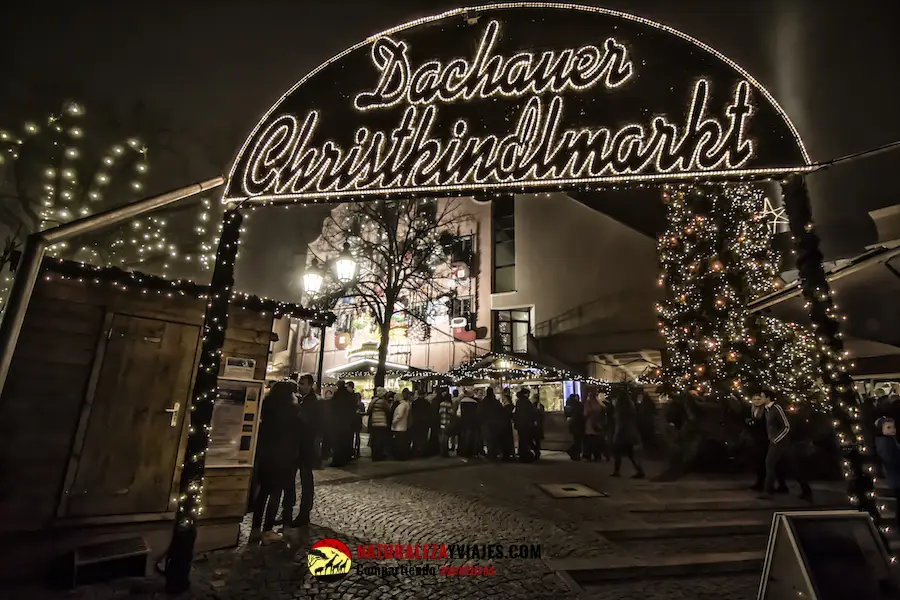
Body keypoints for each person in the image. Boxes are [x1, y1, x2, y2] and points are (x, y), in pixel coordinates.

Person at [250, 380, 299, 543]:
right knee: (276, 493)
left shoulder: (266, 407)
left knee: (263, 492)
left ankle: (255, 529)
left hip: (266, 455)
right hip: (283, 456)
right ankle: (268, 530)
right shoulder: (292, 410)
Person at [752, 390, 812, 502]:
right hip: (775, 443)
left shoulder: (776, 408)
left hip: (780, 443)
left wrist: (776, 439)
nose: (760, 399)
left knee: (770, 464)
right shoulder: (767, 410)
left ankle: (768, 491)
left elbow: (786, 426)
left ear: (768, 398)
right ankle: (806, 490)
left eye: (762, 396)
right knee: (792, 467)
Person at [290, 374, 319, 527]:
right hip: (297, 444)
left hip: (306, 445)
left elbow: (309, 421)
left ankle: (304, 512)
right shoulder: (302, 399)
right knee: (292, 478)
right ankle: (288, 509)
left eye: (302, 383)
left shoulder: (313, 402)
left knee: (306, 479)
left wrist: (297, 408)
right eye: (299, 383)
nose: (300, 386)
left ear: (310, 385)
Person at [746, 400, 787, 492]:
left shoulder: (769, 410)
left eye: (759, 399)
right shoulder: (753, 410)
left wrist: (775, 439)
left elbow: (782, 426)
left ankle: (770, 488)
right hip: (760, 439)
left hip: (767, 440)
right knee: (766, 463)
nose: (757, 401)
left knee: (770, 464)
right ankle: (765, 485)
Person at [611, 388, 645, 478]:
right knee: (631, 454)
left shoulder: (620, 412)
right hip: (631, 433)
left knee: (618, 453)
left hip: (622, 435)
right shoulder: (631, 409)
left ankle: (617, 471)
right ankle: (639, 470)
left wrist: (616, 434)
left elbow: (620, 424)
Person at [875, 417, 900, 532]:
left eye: (893, 427)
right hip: (896, 477)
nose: (892, 430)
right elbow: (891, 460)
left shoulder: (890, 441)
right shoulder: (885, 442)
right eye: (888, 427)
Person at [329, 381, 356, 467]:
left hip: (337, 422)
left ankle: (337, 460)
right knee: (345, 441)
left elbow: (332, 406)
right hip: (347, 422)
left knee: (337, 442)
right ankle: (344, 459)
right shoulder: (349, 395)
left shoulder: (337, 395)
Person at [367, 388, 392, 461]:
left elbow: (369, 410)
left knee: (374, 439)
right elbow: (388, 410)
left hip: (374, 422)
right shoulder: (384, 402)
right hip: (382, 422)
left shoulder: (373, 401)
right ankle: (378, 455)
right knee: (380, 440)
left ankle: (374, 455)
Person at [478, 387, 503, 460]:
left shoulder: (483, 403)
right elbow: (500, 412)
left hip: (485, 423)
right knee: (494, 439)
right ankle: (494, 453)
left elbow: (479, 413)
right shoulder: (496, 402)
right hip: (495, 423)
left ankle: (491, 453)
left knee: (488, 440)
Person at [514, 389, 537, 462]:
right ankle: (526, 454)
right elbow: (531, 412)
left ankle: (522, 454)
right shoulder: (526, 402)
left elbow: (517, 414)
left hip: (520, 425)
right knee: (526, 440)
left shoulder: (519, 402)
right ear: (525, 394)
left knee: (522, 440)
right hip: (526, 425)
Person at [583, 391, 606, 461]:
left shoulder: (588, 403)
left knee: (591, 440)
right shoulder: (598, 403)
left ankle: (590, 455)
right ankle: (597, 455)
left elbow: (586, 414)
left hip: (591, 424)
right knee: (596, 440)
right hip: (596, 424)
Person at [457, 388, 480, 457]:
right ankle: (470, 451)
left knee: (463, 437)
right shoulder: (475, 403)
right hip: (472, 422)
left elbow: (459, 413)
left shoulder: (462, 402)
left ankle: (463, 451)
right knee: (471, 437)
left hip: (463, 422)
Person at [410, 388, 432, 458]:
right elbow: (429, 413)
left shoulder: (414, 402)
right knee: (423, 437)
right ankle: (423, 452)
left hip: (416, 422)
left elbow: (412, 412)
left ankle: (416, 451)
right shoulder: (427, 403)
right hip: (424, 422)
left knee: (416, 437)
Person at [391, 389, 412, 460]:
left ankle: (400, 456)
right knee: (402, 442)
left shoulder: (402, 405)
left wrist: (394, 422)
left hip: (399, 426)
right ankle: (402, 455)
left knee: (399, 442)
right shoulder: (406, 404)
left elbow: (399, 415)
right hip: (403, 425)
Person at [565, 393, 585, 461]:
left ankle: (574, 453)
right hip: (578, 424)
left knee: (577, 440)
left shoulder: (569, 405)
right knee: (578, 440)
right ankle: (573, 452)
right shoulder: (577, 405)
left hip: (573, 425)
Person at [438, 390, 456, 457]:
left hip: (442, 421)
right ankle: (445, 452)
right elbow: (451, 413)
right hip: (447, 422)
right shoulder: (449, 404)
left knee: (442, 438)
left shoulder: (441, 404)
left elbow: (440, 412)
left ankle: (442, 451)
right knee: (446, 438)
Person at [500, 388, 515, 460]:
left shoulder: (507, 407)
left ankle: (506, 454)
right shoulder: (510, 406)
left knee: (506, 440)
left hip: (505, 424)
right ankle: (510, 453)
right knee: (508, 439)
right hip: (507, 424)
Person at [532, 394, 546, 460]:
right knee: (536, 440)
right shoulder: (538, 406)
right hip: (537, 425)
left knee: (535, 439)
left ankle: (537, 452)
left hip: (536, 425)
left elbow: (541, 416)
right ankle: (537, 451)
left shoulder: (536, 406)